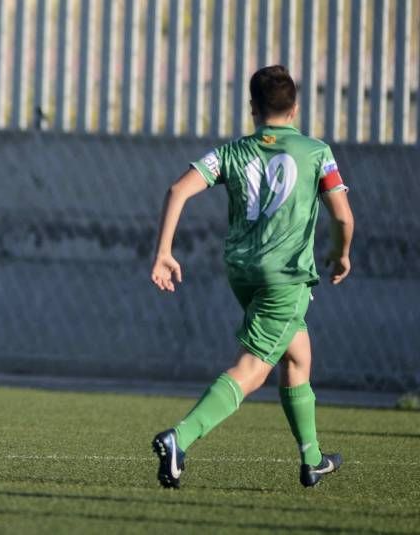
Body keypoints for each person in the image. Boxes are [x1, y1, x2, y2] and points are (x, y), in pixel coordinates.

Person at [149, 65, 354, 488]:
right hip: (286, 276)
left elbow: (178, 189)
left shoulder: (231, 152)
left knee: (297, 357)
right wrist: (340, 252)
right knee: (255, 368)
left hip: (242, 272)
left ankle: (312, 459)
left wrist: (165, 251)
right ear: (295, 108)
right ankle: (179, 438)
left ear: (252, 109)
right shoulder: (317, 152)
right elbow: (343, 216)